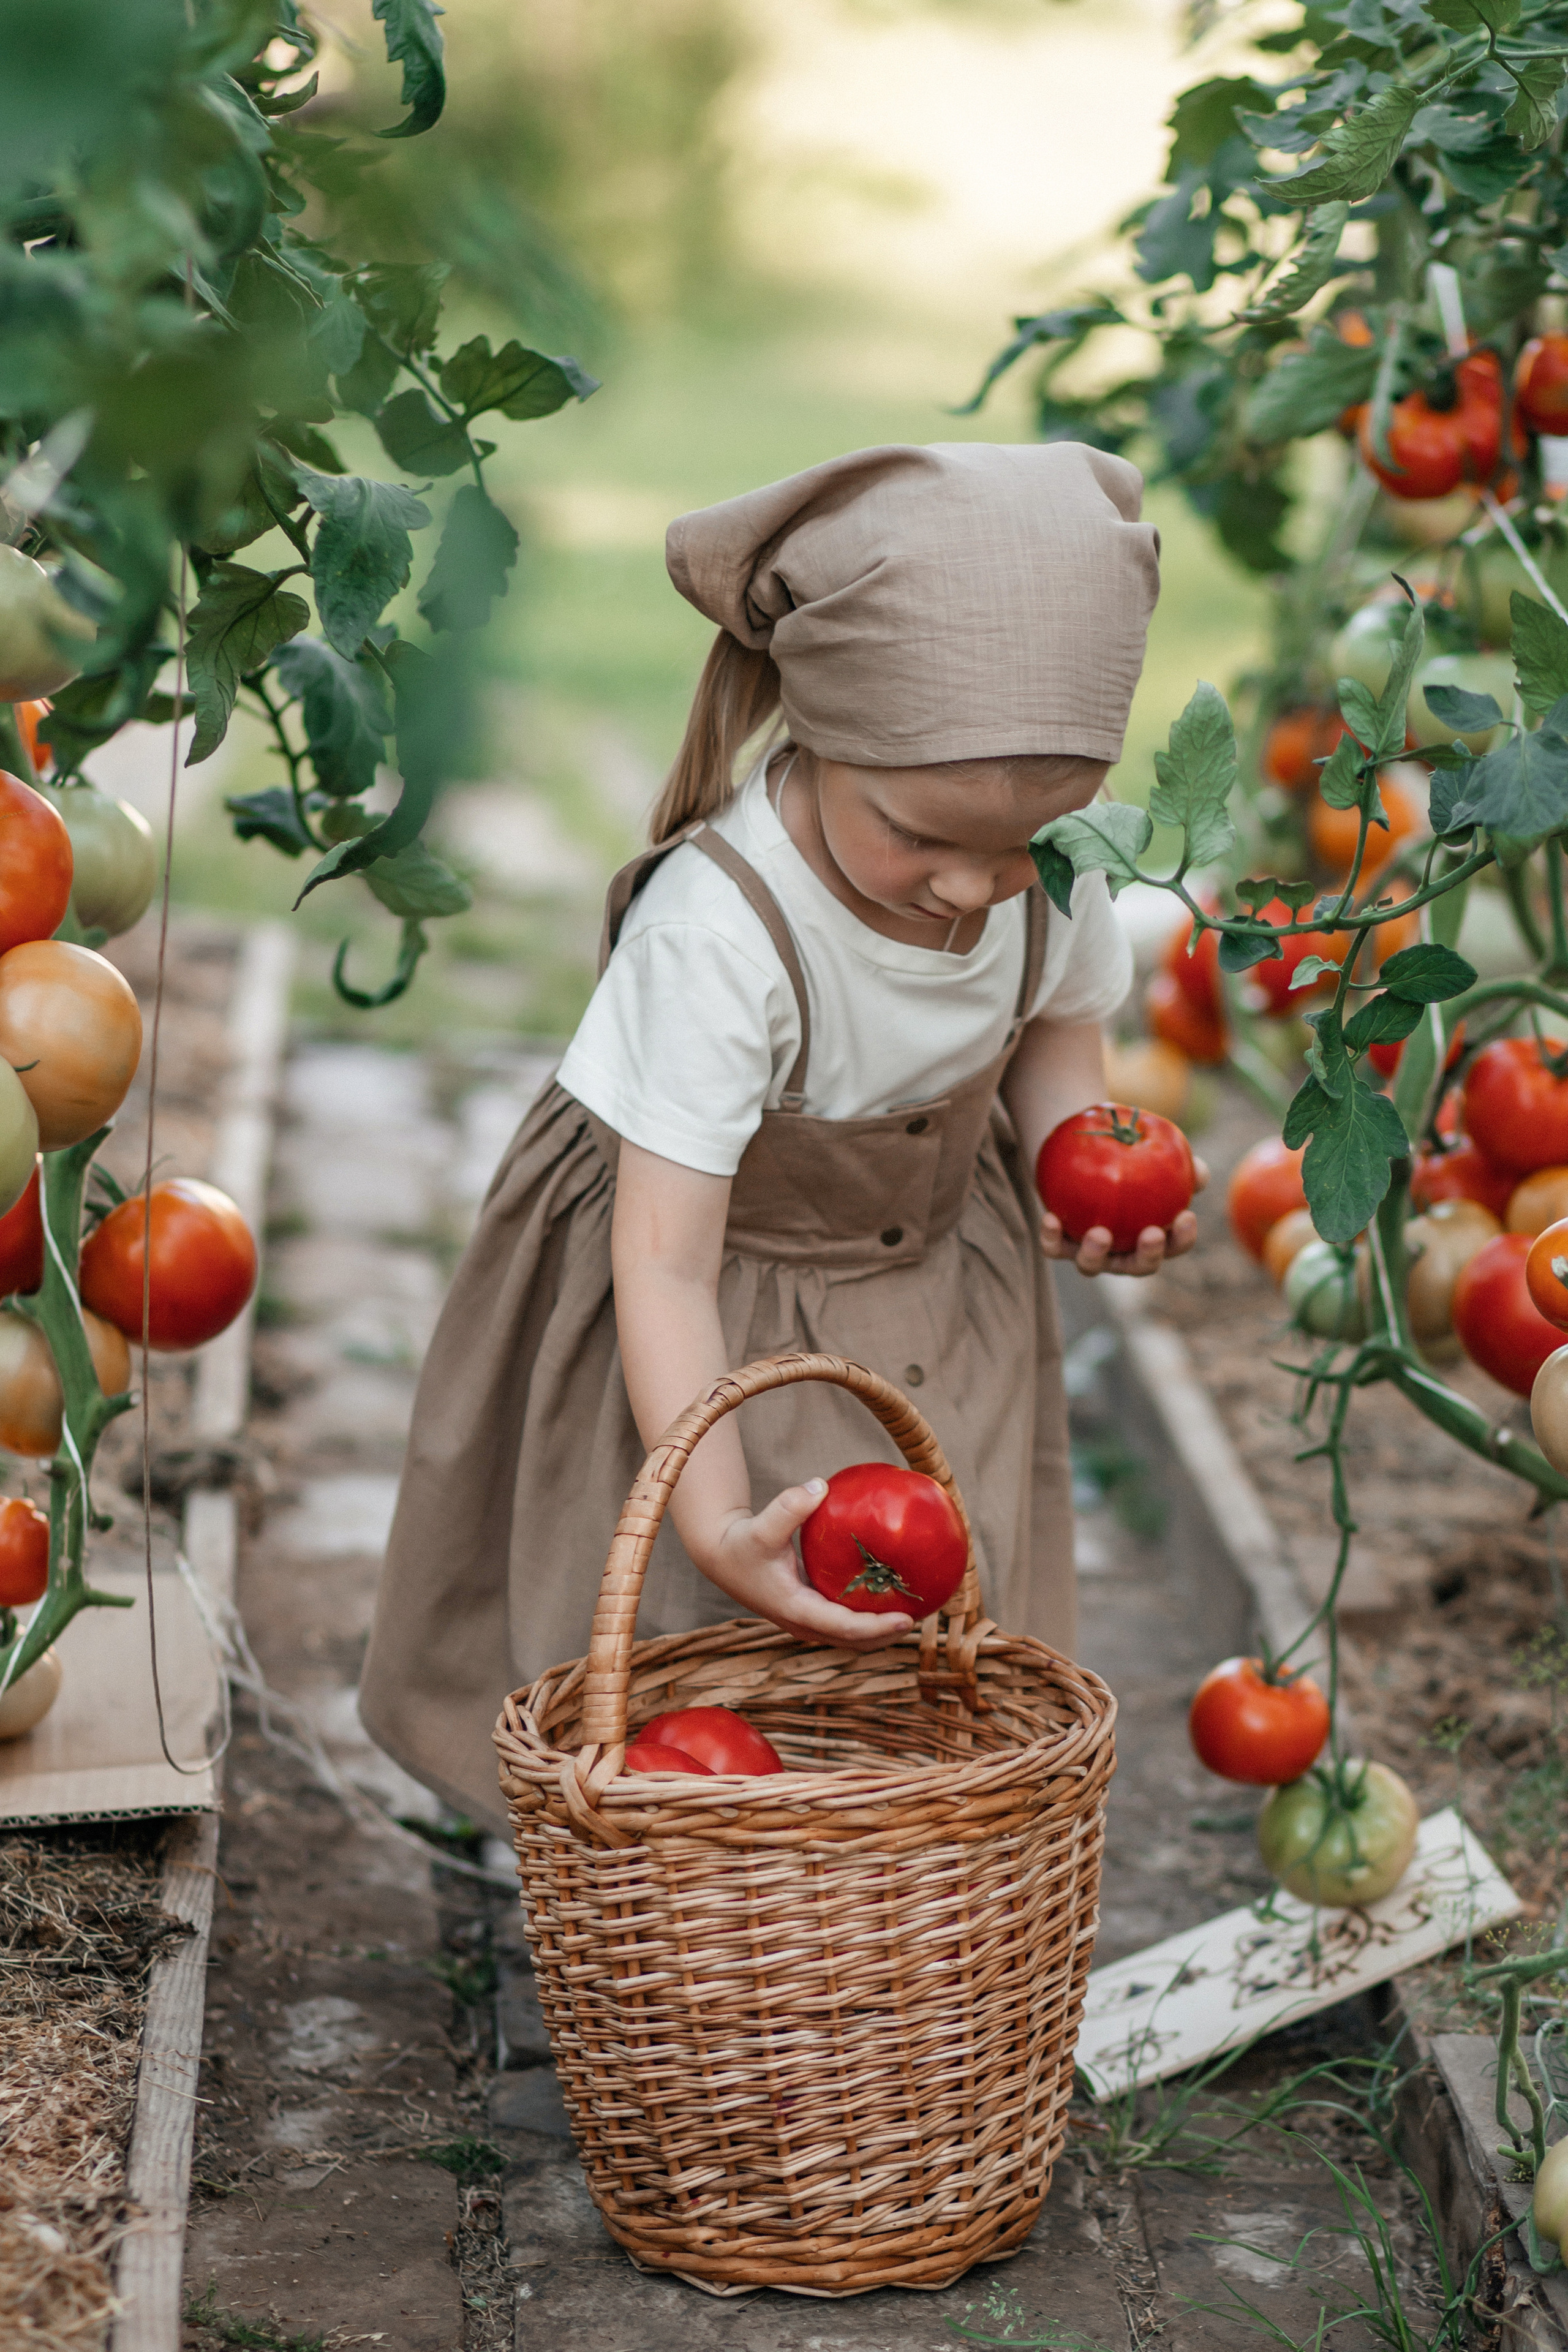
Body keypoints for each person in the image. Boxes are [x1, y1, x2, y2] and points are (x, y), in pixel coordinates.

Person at [361, 440, 1199, 1833]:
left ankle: (887, 1871)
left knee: (932, 1629)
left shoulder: (1048, 869)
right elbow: (664, 1267)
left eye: (1022, 847)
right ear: (819, 736)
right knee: (704, 1650)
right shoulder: (717, 934)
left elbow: (1062, 1039)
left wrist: (1089, 1179)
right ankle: (678, 1884)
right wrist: (712, 1518)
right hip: (710, 1321)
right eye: (921, 836)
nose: (972, 888)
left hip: (940, 1294)